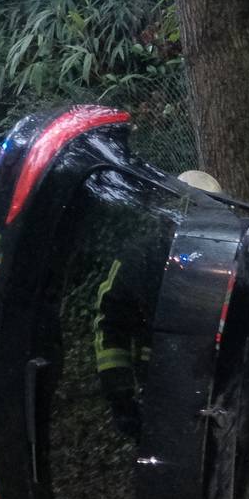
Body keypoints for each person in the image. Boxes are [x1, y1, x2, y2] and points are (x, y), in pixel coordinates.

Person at [90, 169, 223, 441]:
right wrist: (120, 396)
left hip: (219, 392)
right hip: (158, 387)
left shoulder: (224, 257)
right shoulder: (140, 260)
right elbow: (109, 327)